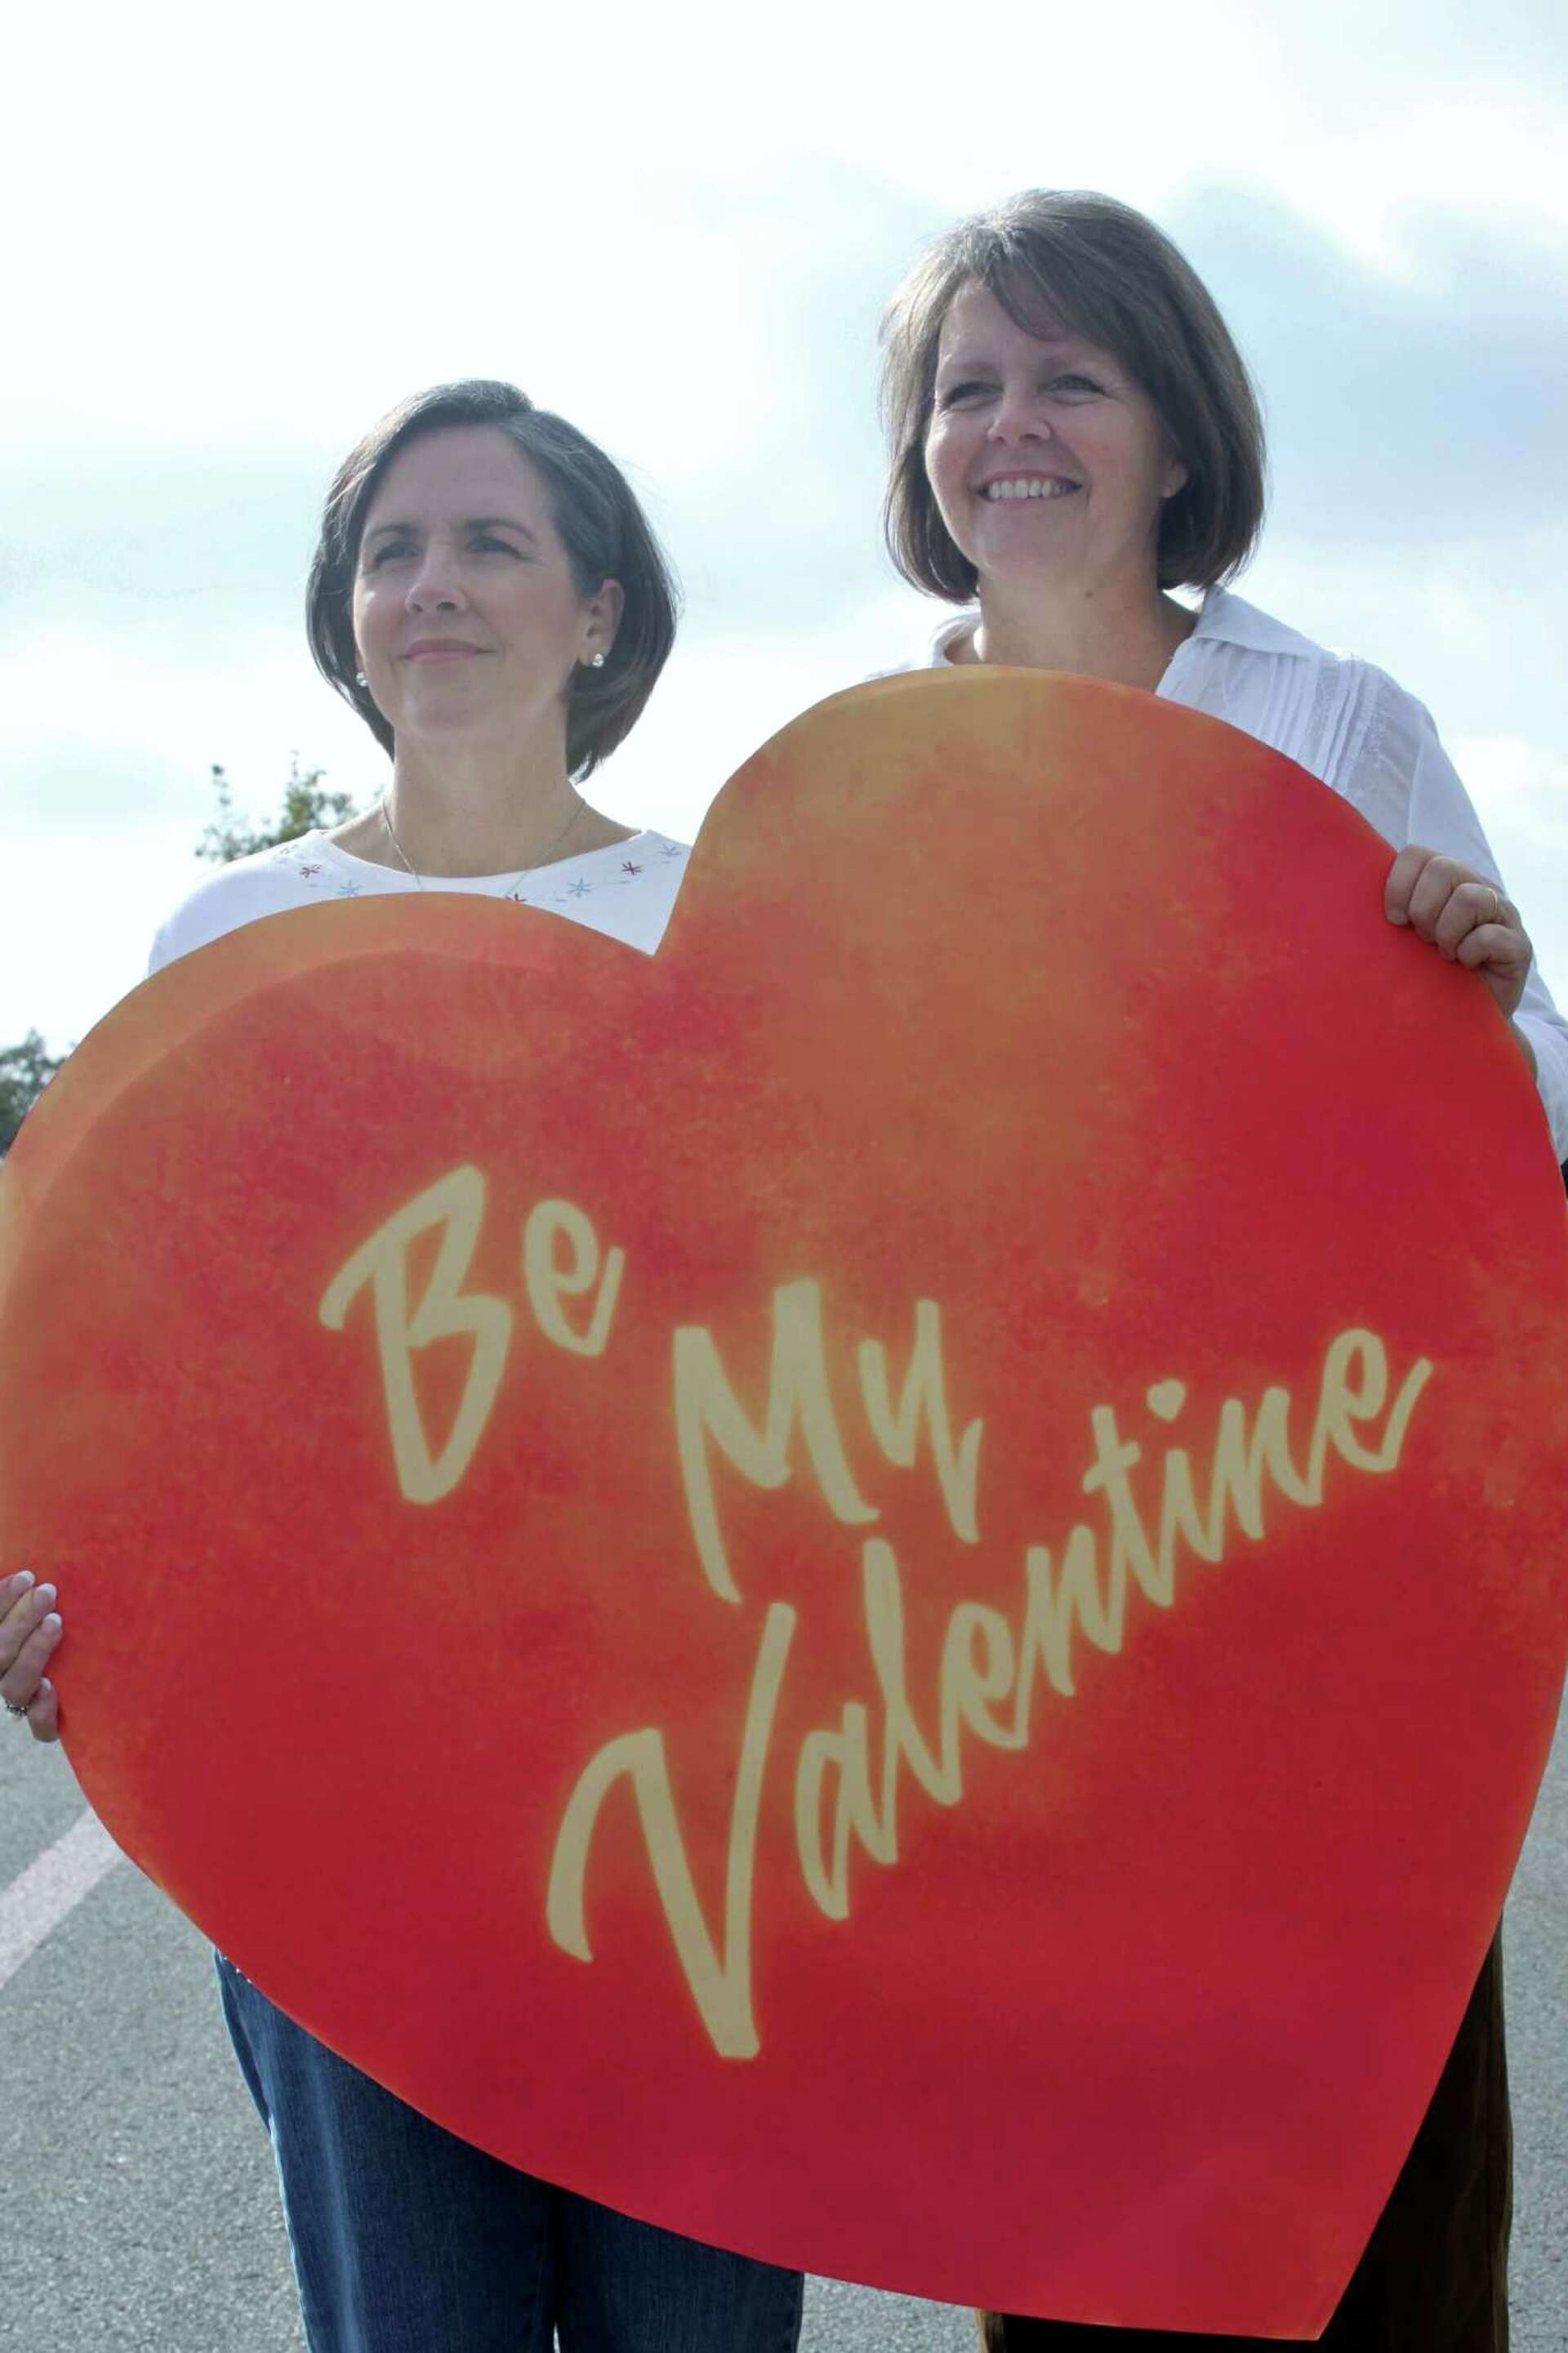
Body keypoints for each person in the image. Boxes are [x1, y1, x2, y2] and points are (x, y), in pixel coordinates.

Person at [0, 378, 805, 2353]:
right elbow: (131, 1351)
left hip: (696, 1819)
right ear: (345, 614)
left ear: (602, 612)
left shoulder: (727, 931)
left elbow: (850, 1338)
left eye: (491, 543)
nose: (432, 587)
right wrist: (50, 1588)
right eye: (391, 551)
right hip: (345, 1833)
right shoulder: (234, 936)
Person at [876, 189, 1568, 2353]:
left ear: (1177, 434)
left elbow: (1529, 1116)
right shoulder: (857, 796)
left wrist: (1489, 988)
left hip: (1327, 1609)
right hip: (1020, 1640)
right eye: (965, 387)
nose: (1013, 426)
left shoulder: (1335, 725)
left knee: (1381, 2228)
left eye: (1070, 377)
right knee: (1077, 2244)